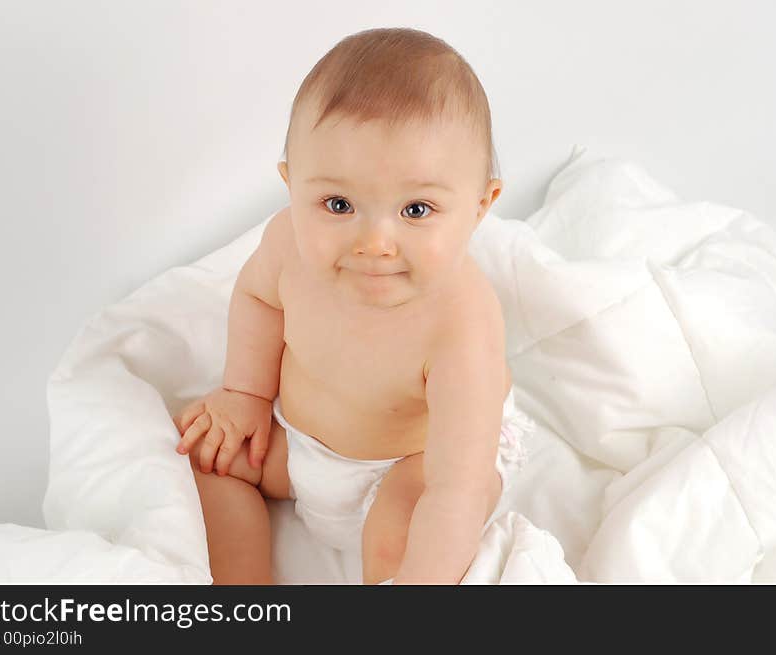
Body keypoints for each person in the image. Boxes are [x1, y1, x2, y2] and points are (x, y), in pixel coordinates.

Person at [172, 26, 533, 585]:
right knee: (203, 455)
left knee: (410, 529)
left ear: (481, 206)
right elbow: (259, 298)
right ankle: (242, 593)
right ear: (292, 189)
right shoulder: (287, 244)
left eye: (416, 210)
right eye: (338, 204)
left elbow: (454, 490)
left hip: (410, 468)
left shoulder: (463, 325)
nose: (375, 242)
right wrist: (244, 393)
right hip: (297, 443)